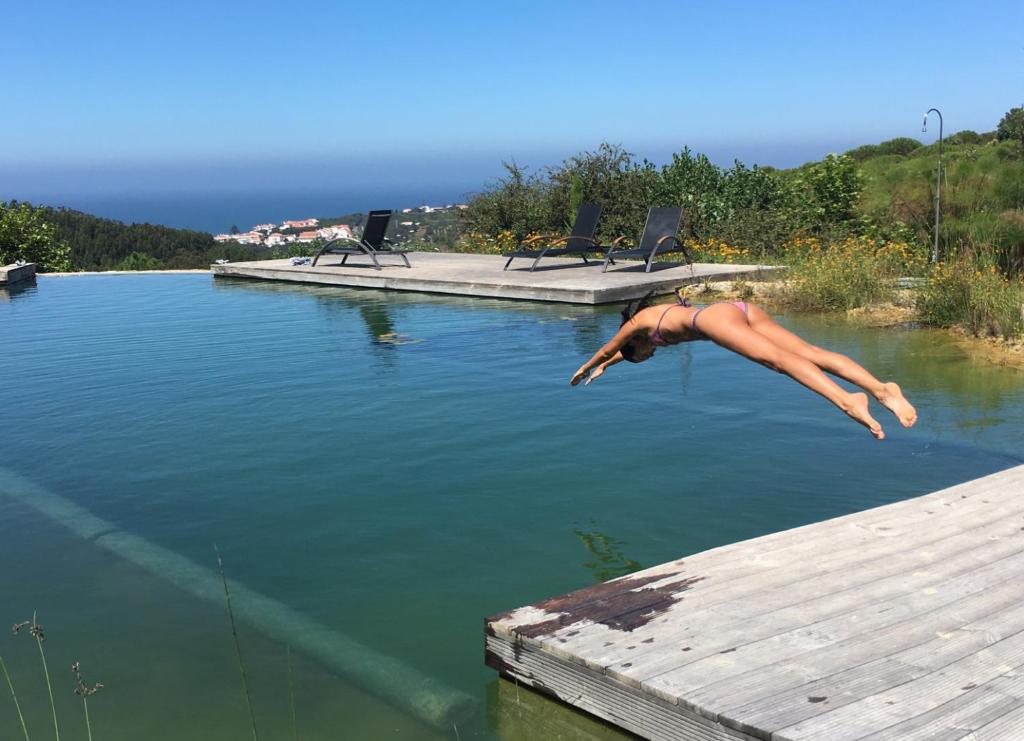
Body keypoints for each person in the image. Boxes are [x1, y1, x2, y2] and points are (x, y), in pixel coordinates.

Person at [570, 291, 917, 440]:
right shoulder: (644, 333)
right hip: (737, 309)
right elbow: (617, 354)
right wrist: (608, 367)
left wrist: (586, 367)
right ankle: (881, 389)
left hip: (714, 321)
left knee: (778, 361)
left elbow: (607, 348)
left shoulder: (637, 326)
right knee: (809, 352)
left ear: (635, 343)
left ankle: (848, 401)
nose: (647, 358)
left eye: (640, 356)